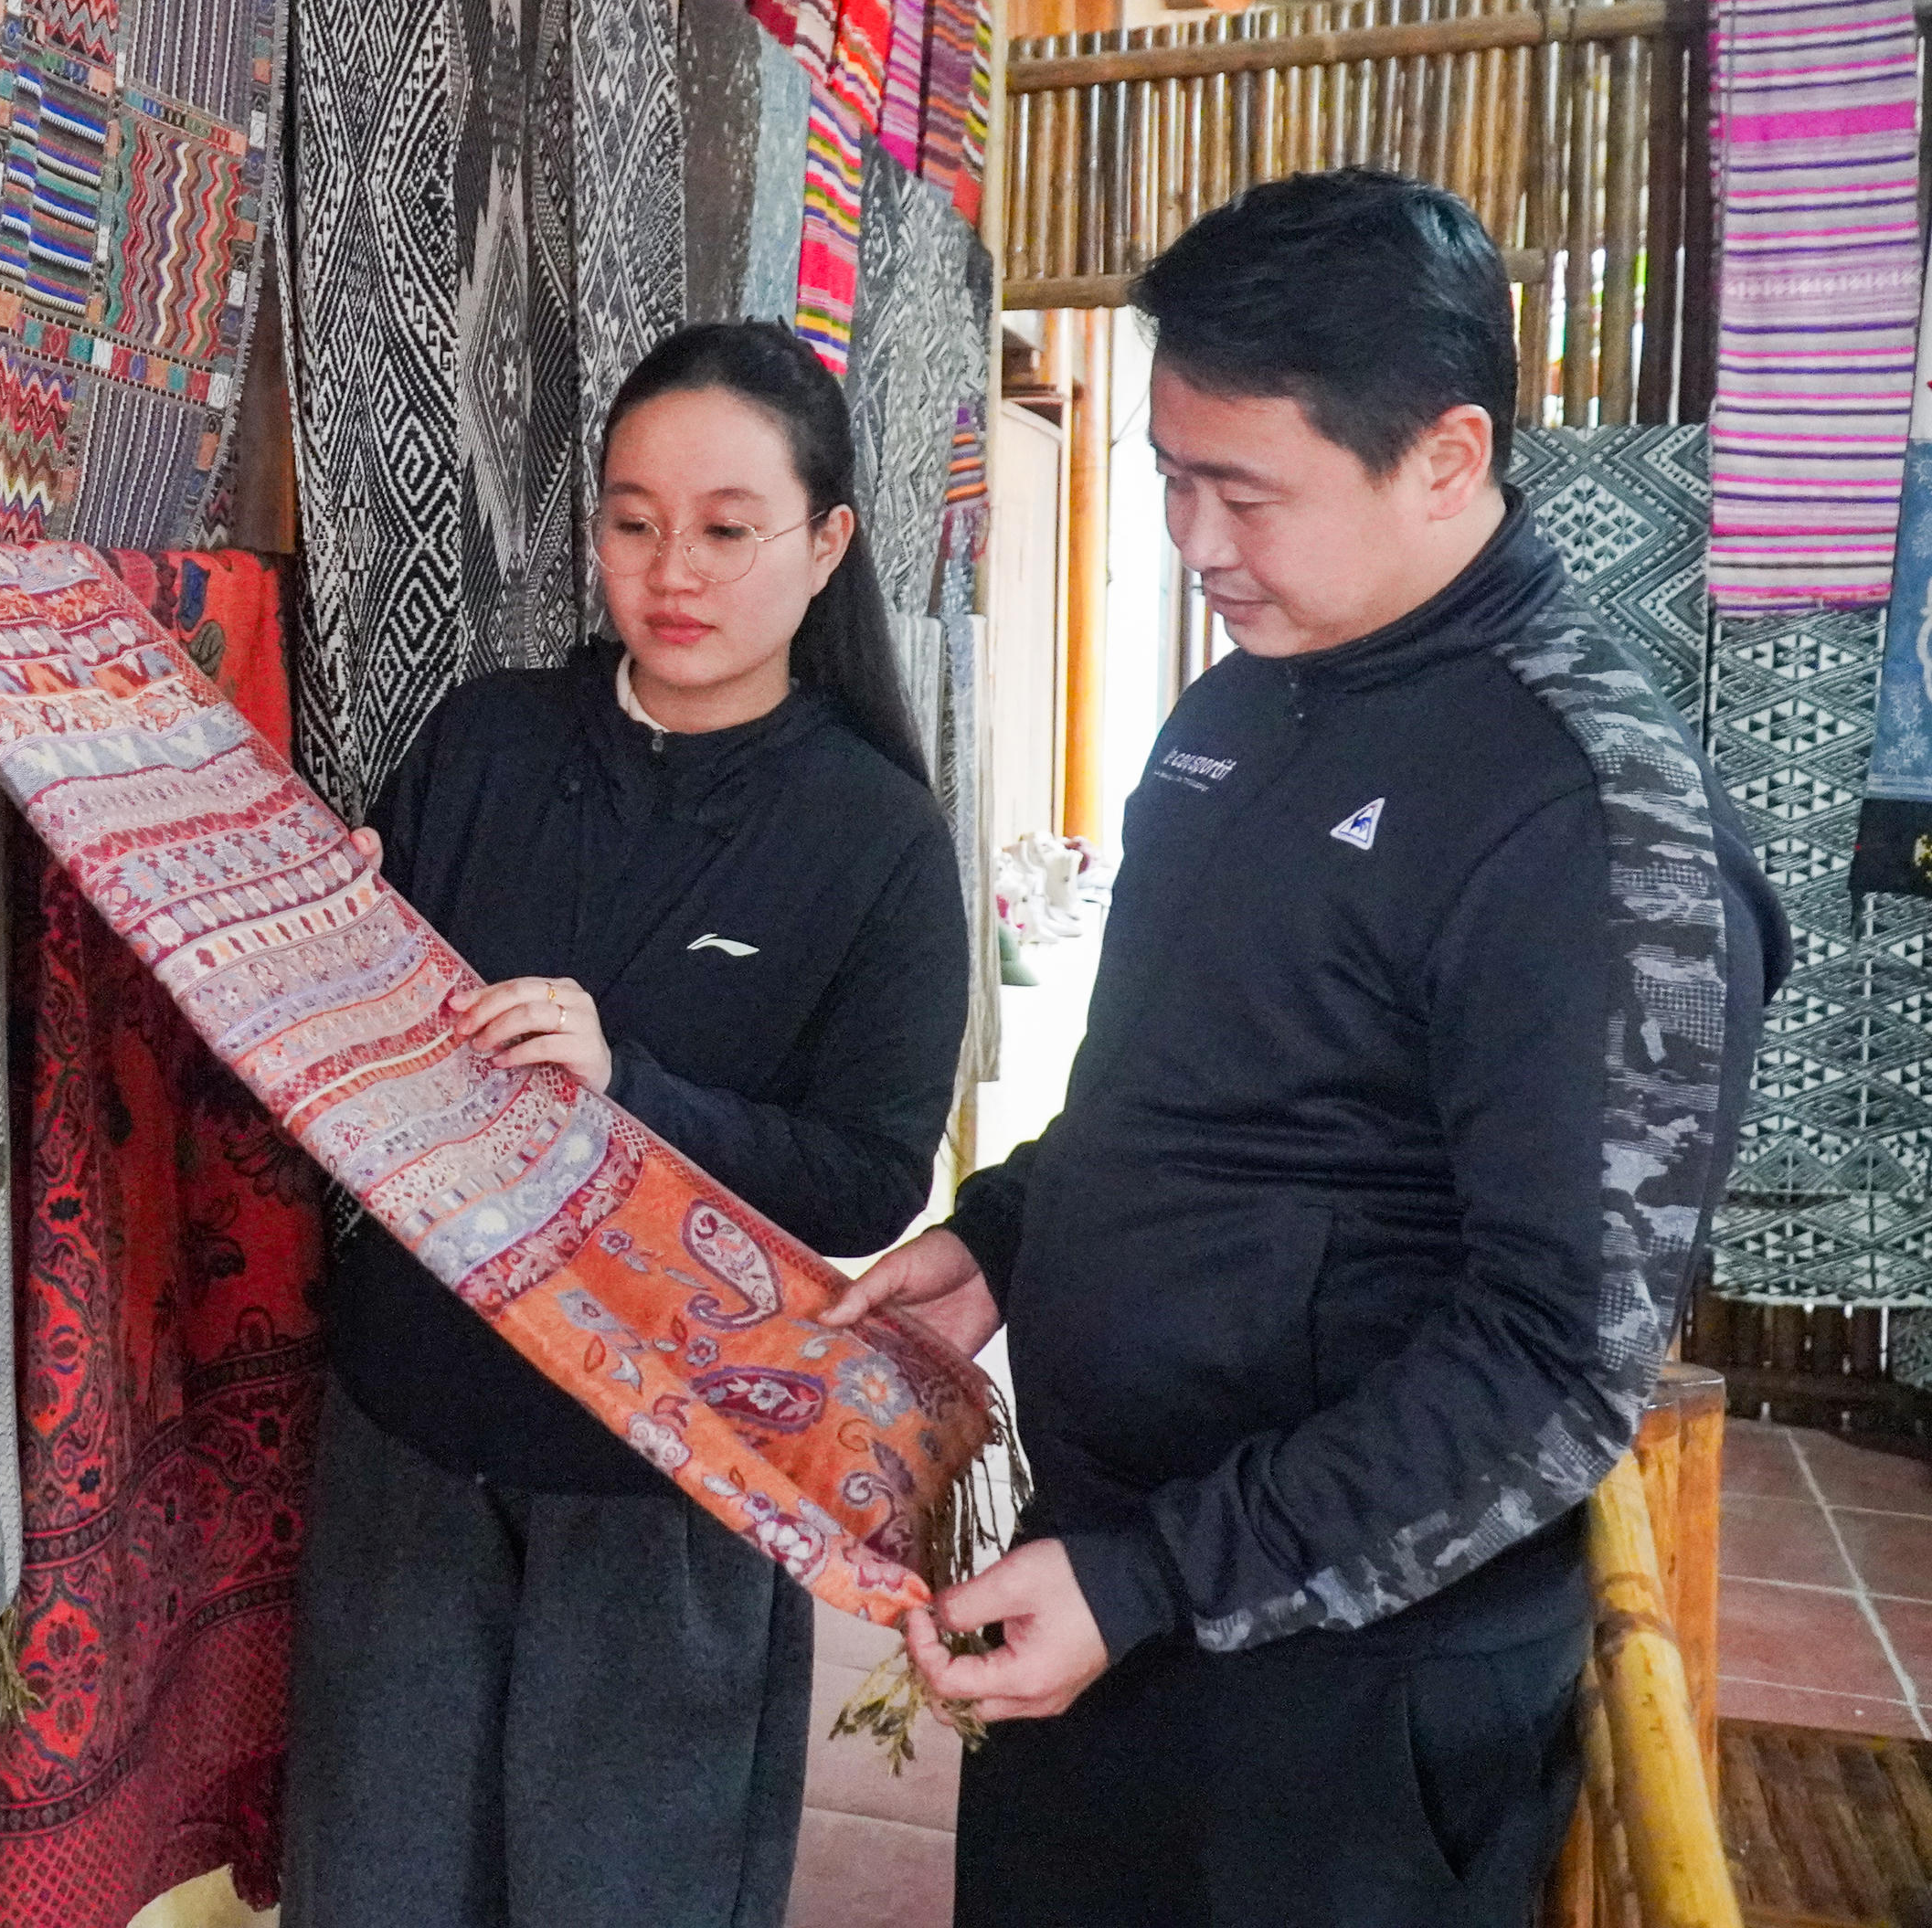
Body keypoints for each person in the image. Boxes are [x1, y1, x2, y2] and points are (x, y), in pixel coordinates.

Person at [827, 168, 1788, 1928]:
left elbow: (1555, 1366)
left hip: (1339, 1681)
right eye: (1171, 478)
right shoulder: (1241, 702)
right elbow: (1171, 1078)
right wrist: (1010, 1233)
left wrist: (1160, 1580)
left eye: (1243, 490)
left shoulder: (1585, 820)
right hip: (1112, 1576)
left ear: (1445, 456)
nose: (1192, 540)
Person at [283, 321, 972, 1928]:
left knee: (624, 1890)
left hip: (666, 1468)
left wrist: (631, 1091)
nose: (673, 572)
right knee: (377, 1884)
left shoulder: (875, 838)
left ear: (828, 544)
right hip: (411, 1434)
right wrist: (324, 929)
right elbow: (368, 1037)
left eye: (729, 529)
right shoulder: (488, 741)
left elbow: (867, 1174)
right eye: (634, 520)